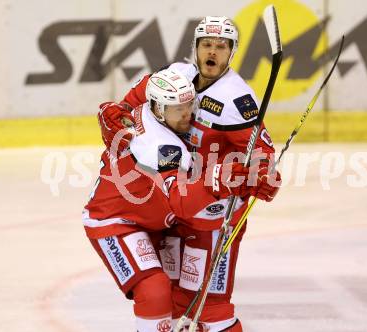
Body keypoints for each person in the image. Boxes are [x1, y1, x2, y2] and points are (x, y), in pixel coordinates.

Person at [97, 17, 281, 331]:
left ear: (231, 51)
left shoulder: (238, 100)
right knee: (171, 298)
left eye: (221, 46)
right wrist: (112, 114)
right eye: (206, 44)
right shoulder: (175, 76)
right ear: (195, 47)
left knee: (208, 307)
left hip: (214, 211)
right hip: (179, 206)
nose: (213, 51)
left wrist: (261, 174)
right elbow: (128, 111)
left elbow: (262, 157)